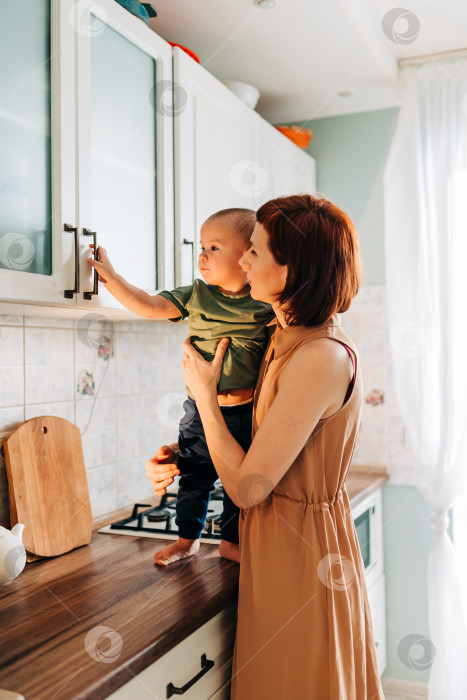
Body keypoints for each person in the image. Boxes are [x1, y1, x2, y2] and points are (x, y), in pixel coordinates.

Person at [146, 194, 385, 699]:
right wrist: (186, 450)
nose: (243, 261)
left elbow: (250, 486)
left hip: (300, 559)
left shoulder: (320, 356)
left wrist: (206, 401)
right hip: (272, 548)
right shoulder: (282, 338)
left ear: (291, 267)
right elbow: (263, 441)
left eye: (254, 250)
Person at [87, 208, 273, 567]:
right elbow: (148, 304)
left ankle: (231, 542)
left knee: (241, 486)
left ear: (249, 255)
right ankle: (188, 540)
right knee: (193, 477)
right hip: (200, 412)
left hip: (247, 412)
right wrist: (111, 277)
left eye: (214, 248)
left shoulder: (264, 303)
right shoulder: (197, 296)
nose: (201, 255)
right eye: (201, 247)